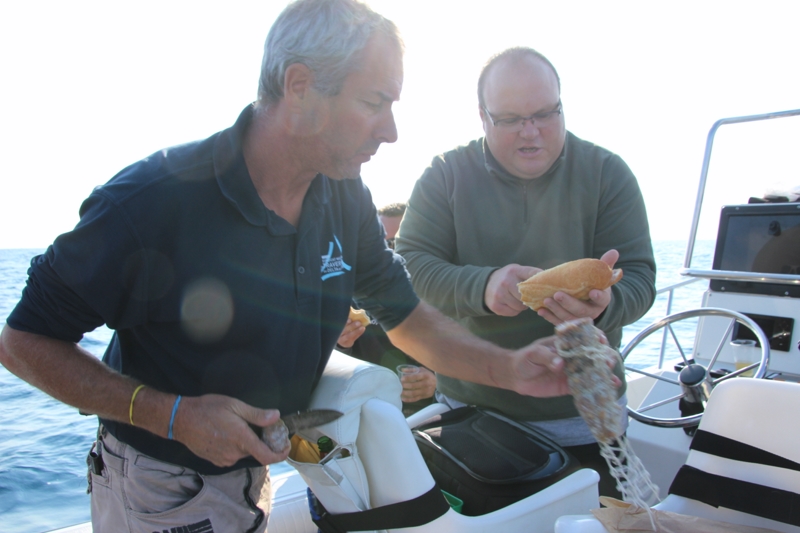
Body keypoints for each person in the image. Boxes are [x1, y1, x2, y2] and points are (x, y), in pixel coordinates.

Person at [0, 6, 580, 532]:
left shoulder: (345, 194)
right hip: (160, 488)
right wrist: (172, 415)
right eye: (374, 102)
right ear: (300, 87)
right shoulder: (150, 202)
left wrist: (507, 370)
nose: (391, 130)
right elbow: (21, 340)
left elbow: (406, 316)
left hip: (262, 474)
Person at [395, 47, 657, 497]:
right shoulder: (444, 175)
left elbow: (640, 279)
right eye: (510, 119)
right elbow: (410, 267)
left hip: (589, 420)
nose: (530, 132)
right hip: (474, 417)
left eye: (544, 114)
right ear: (482, 116)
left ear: (561, 104)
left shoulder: (608, 173)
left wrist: (607, 303)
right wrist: (482, 286)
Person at [336, 202, 436, 415]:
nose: (384, 254)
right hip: (369, 413)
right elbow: (331, 370)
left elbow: (467, 361)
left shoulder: (438, 295)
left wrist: (438, 383)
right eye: (376, 244)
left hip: (425, 416)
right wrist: (342, 345)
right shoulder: (347, 295)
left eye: (393, 243)